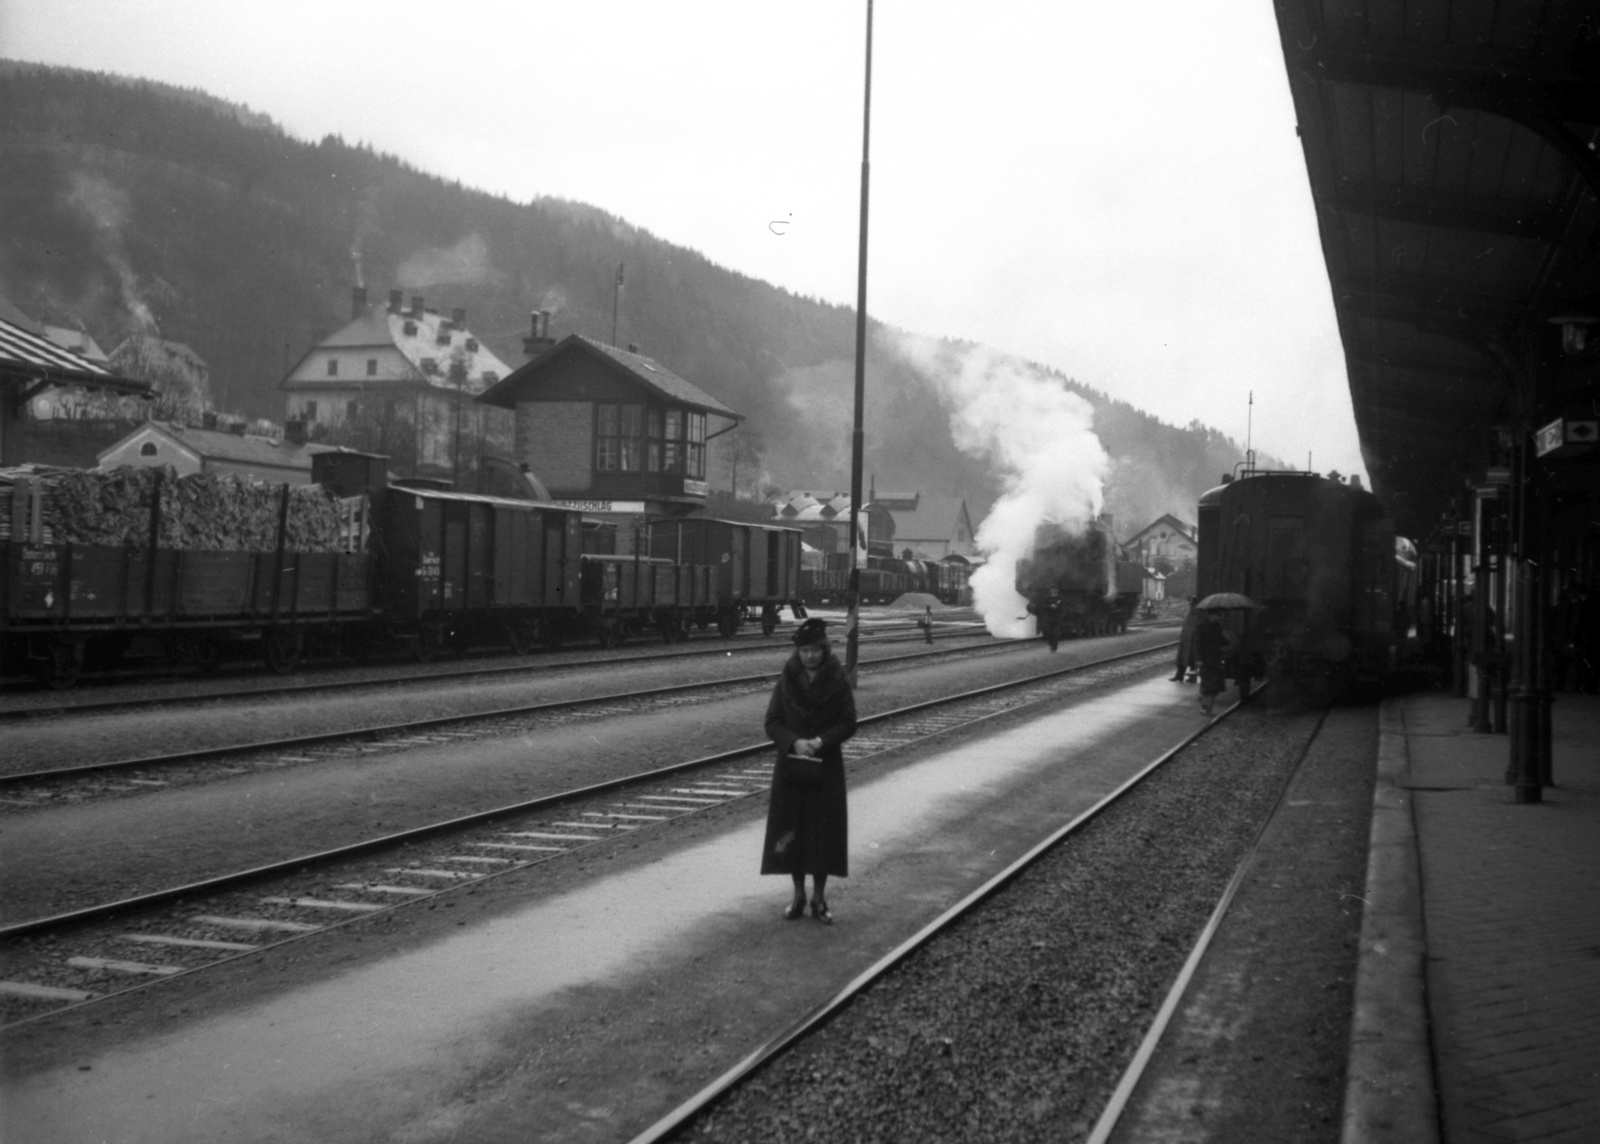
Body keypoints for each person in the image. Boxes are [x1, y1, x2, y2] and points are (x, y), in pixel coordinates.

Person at [761, 617, 857, 923]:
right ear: (797, 652)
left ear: (824, 649)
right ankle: (798, 896)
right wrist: (793, 742)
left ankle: (819, 898)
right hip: (792, 768)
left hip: (825, 767)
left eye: (815, 649)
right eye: (804, 650)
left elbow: (848, 722)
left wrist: (821, 741)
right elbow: (772, 722)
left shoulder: (837, 679)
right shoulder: (786, 680)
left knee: (823, 834)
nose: (810, 656)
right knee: (793, 832)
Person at [1194, 609, 1229, 715]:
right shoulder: (1200, 626)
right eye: (1218, 615)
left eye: (1220, 615)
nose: (1220, 617)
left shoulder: (1217, 626)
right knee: (1208, 685)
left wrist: (1226, 638)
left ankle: (1203, 699)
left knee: (1215, 686)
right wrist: (1198, 660)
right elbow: (1196, 644)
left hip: (1216, 658)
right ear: (1211, 615)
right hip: (1205, 659)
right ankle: (1205, 708)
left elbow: (1221, 642)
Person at [1172, 596, 1201, 681]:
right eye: (1190, 604)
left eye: (1192, 604)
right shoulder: (1191, 613)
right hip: (1186, 639)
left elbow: (1194, 627)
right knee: (1183, 658)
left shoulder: (1196, 614)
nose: (1190, 605)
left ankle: (1192, 677)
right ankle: (1180, 675)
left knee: (1191, 658)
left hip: (1192, 640)